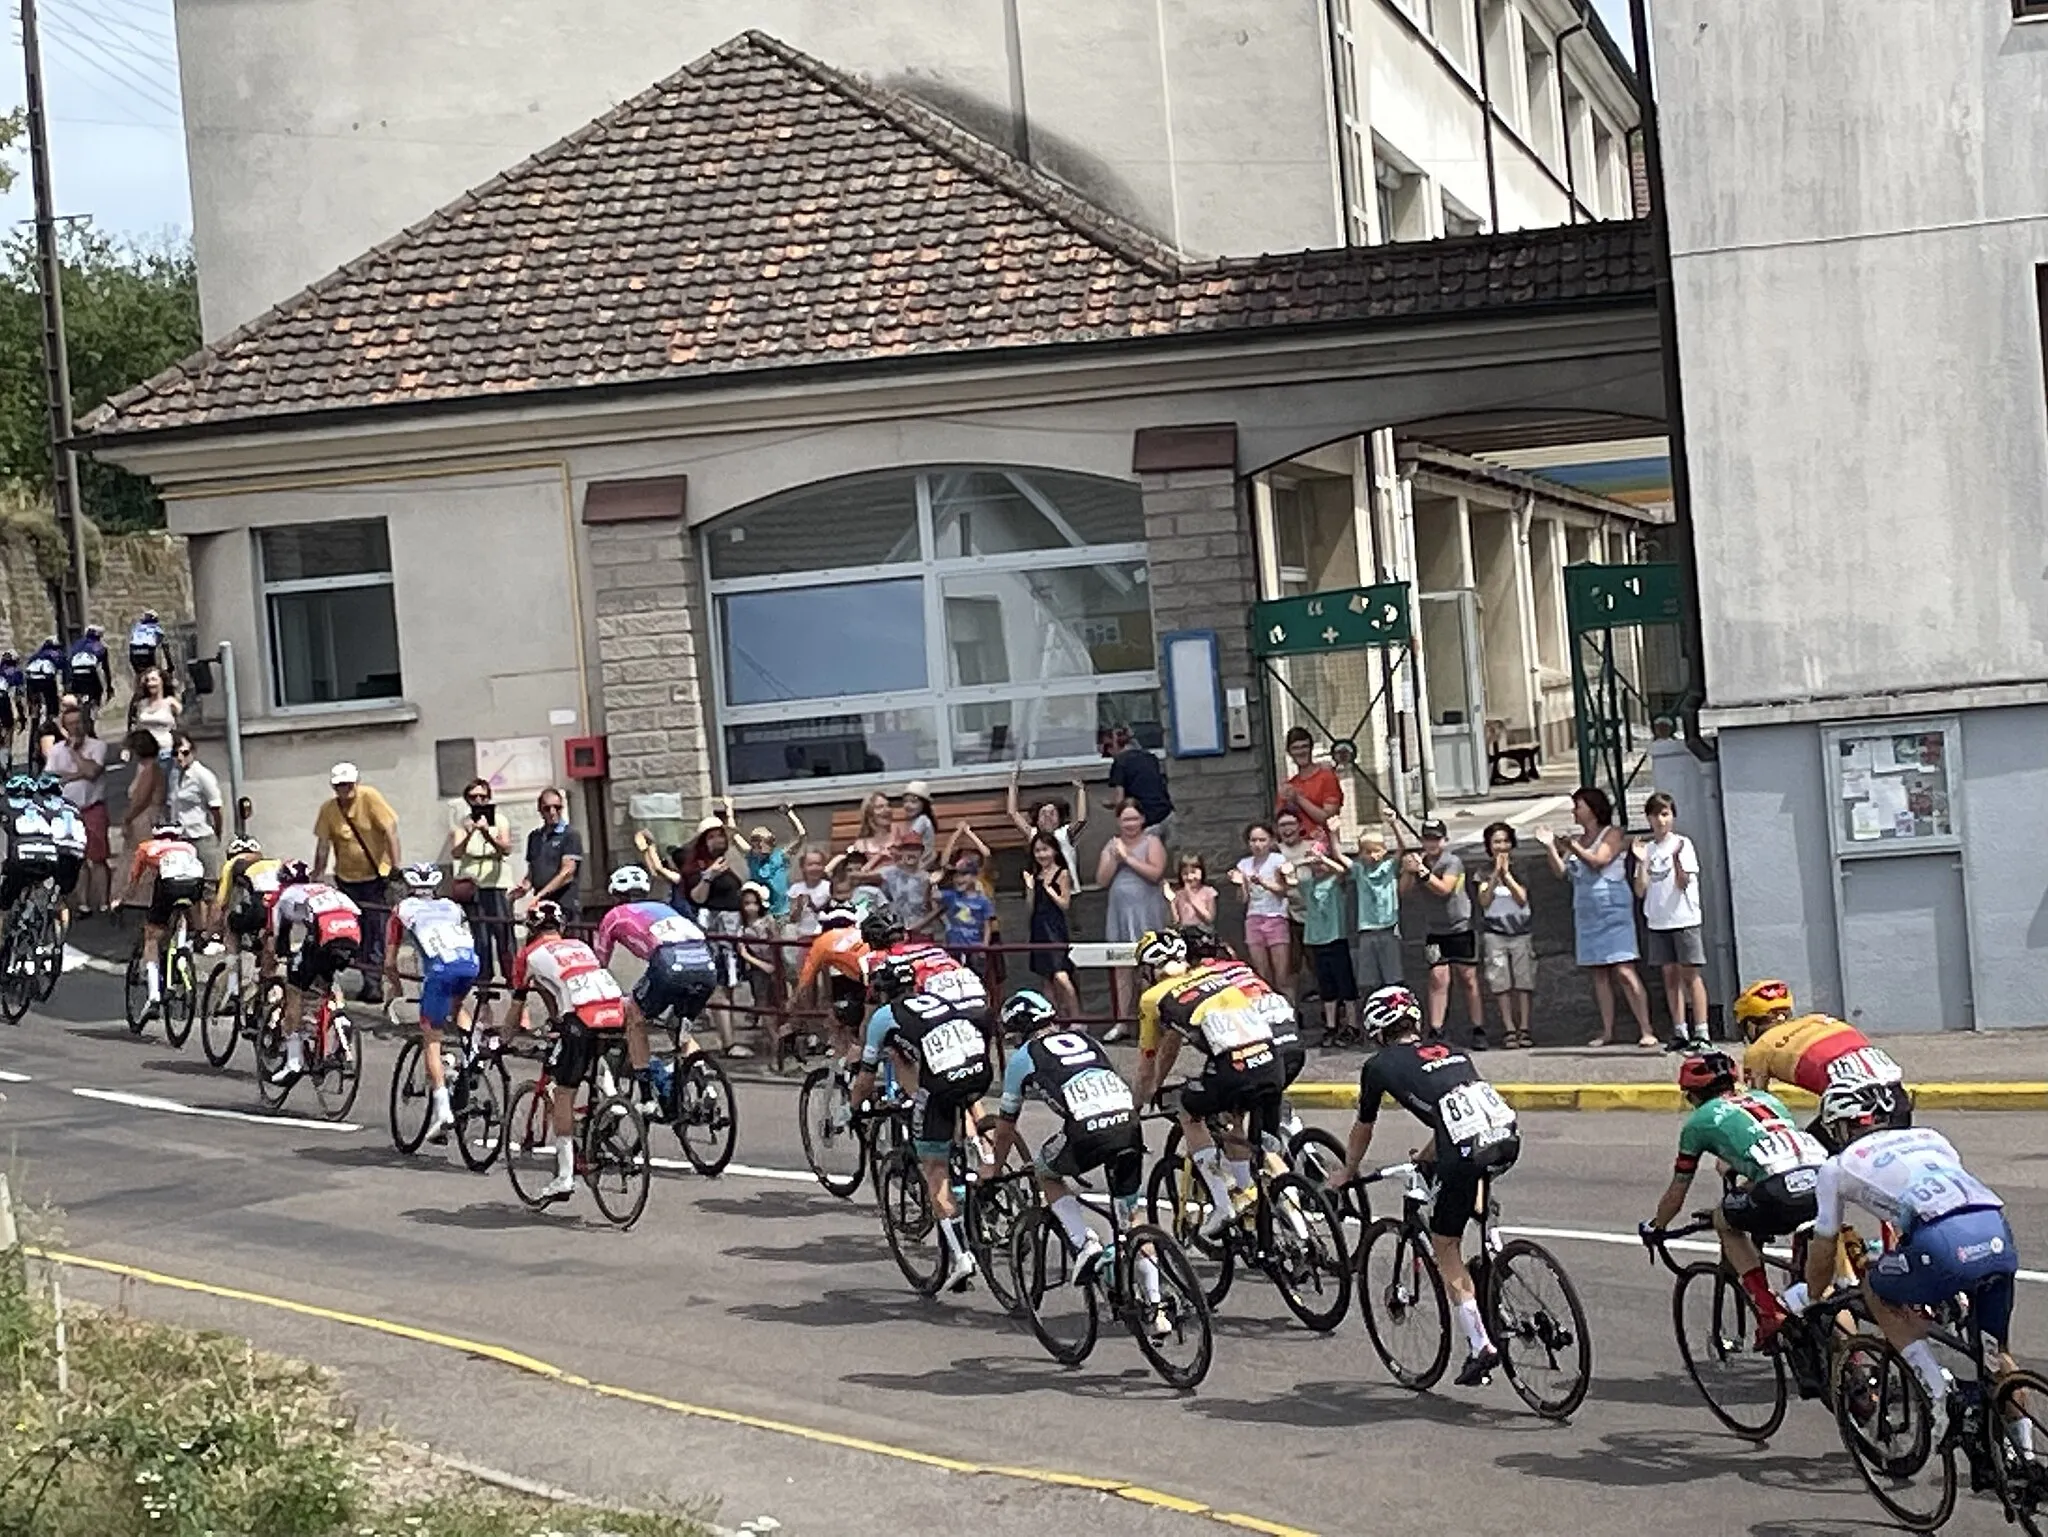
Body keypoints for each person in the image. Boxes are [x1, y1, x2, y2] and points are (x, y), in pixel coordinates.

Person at [1805, 1085, 2023, 1444]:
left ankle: (1938, 1393)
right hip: (1995, 1230)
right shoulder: (1931, 1137)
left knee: (1876, 1288)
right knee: (1997, 1359)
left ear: (1841, 1127)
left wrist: (1816, 1295)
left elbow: (1825, 1244)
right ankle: (2024, 1461)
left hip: (1941, 1244)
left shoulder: (1836, 1166)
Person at [1337, 984, 1521, 1386]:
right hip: (1506, 1136)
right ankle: (1493, 1251)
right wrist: (1424, 1156)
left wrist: (1348, 1171)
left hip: (1464, 1149)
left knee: (1445, 1246)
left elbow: (1363, 1127)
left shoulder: (1379, 1065)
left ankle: (1480, 1346)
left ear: (1376, 1030)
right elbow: (1457, 1114)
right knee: (1470, 1184)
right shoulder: (1452, 1049)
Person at [979, 989, 1170, 1336]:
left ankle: (1085, 1242)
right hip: (1128, 1124)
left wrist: (993, 1167)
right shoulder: (1087, 1041)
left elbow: (1006, 1127)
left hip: (1085, 1132)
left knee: (1045, 1170)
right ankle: (1157, 1308)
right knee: (1131, 1217)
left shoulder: (1024, 1057)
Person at [1640, 1049, 1829, 1346]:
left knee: (1724, 1221)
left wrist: (1657, 1226)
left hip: (1778, 1189)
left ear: (1694, 1095)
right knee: (1823, 1282)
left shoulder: (1698, 1124)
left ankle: (1768, 1310)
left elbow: (1678, 1191)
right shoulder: (1767, 1099)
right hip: (1822, 1178)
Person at [850, 949, 996, 1292]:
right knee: (954, 1120)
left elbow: (866, 1077)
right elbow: (905, 1064)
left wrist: (854, 1109)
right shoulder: (934, 1000)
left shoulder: (885, 1018)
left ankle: (961, 1256)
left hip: (942, 1083)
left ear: (880, 991)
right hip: (980, 1070)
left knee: (934, 1167)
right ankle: (985, 1169)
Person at [1132, 928, 1292, 1239]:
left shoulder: (1153, 998)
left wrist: (1136, 1106)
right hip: (1272, 1061)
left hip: (1232, 1068)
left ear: (1151, 968)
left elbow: (1146, 1064)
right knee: (1241, 1127)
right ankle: (1269, 1201)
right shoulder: (1217, 979)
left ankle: (1223, 1204)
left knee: (1188, 1111)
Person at [508, 899, 628, 1204]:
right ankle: (610, 1098)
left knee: (563, 1093)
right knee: (595, 1051)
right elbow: (560, 988)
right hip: (615, 1010)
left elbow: (517, 1006)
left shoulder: (528, 954)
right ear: (561, 926)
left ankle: (563, 1177)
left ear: (531, 929)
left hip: (581, 1017)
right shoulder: (580, 945)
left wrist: (503, 1039)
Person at [1537, 787, 1655, 1048]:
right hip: (1587, 911)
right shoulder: (1577, 839)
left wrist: (1574, 846)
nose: (1574, 811)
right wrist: (1550, 848)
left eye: (1578, 806)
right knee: (1598, 974)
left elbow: (1598, 860)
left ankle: (1646, 1028)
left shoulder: (1612, 834)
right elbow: (1561, 872)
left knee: (1624, 969)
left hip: (1613, 910)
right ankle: (1607, 1030)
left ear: (1592, 808)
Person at [1737, 978, 1910, 1142]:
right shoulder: (1819, 1019)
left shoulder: (1759, 1049)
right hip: (1896, 1095)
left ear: (1750, 1025)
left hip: (1858, 1106)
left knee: (1811, 1155)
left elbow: (1756, 1108)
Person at [382, 863, 482, 1144]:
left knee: (432, 1038)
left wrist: (397, 989)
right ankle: (473, 1052)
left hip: (439, 970)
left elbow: (389, 962)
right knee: (457, 1006)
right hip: (470, 964)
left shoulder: (401, 910)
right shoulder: (452, 907)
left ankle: (442, 1111)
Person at [593, 865, 714, 1092]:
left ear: (615, 894)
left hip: (669, 963)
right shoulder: (663, 907)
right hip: (705, 961)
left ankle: (646, 1095)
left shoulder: (614, 915)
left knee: (634, 1015)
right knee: (678, 1025)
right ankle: (706, 1084)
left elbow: (598, 963)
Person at [645, 816, 748, 1056]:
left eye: (720, 835)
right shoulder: (698, 866)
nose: (718, 840)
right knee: (718, 986)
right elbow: (697, 898)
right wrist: (708, 876)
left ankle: (709, 1030)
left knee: (728, 986)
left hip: (732, 931)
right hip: (714, 931)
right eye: (711, 836)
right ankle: (728, 1042)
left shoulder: (724, 861)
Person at [263, 862, 363, 1081]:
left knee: (294, 988)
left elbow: (279, 936)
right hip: (352, 933)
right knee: (328, 976)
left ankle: (294, 1062)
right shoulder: (323, 889)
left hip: (326, 936)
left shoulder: (286, 896)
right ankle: (340, 1023)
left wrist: (282, 957)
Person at [311, 761, 400, 1001]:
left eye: (348, 784)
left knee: (376, 930)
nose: (345, 790)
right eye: (340, 785)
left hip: (375, 877)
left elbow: (390, 831)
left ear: (356, 782)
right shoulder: (329, 809)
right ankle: (362, 975)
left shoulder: (370, 797)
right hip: (346, 878)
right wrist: (317, 873)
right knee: (354, 930)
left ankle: (373, 983)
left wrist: (395, 866)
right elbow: (323, 845)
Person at [1634, 792, 1709, 1050]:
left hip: (1683, 917)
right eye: (1655, 815)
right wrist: (1641, 862)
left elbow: (1684, 881)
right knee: (1669, 976)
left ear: (1673, 816)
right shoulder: (1648, 849)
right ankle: (1679, 1030)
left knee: (1691, 974)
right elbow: (1640, 889)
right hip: (1658, 920)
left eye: (1665, 814)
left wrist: (1676, 858)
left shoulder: (1683, 844)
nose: (1660, 821)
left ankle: (1701, 1030)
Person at [1402, 819, 1486, 1049]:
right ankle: (1437, 1029)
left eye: (1436, 838)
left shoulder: (1453, 862)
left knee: (1467, 977)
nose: (1431, 843)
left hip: (1460, 928)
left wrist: (1422, 871)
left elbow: (1444, 889)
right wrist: (1410, 871)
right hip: (1434, 932)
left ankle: (1478, 1028)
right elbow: (1404, 892)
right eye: (1427, 838)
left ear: (1444, 840)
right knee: (1438, 977)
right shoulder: (1418, 861)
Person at [1098, 799, 1169, 1038]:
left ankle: (1155, 1019)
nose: (1129, 824)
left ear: (1142, 819)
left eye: (1133, 818)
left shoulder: (1152, 841)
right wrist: (1114, 859)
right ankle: (1122, 1021)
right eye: (1125, 819)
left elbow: (1155, 873)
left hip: (1146, 909)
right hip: (1120, 912)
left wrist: (1128, 858)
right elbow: (1101, 880)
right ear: (1118, 821)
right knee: (1122, 968)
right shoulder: (1112, 844)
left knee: (1151, 966)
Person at [126, 822, 207, 1024]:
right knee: (185, 911)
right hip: (194, 884)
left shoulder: (146, 847)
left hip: (168, 885)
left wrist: (122, 900)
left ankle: (153, 997)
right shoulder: (189, 848)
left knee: (152, 936)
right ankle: (185, 946)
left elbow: (135, 878)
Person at [446, 777, 516, 1000]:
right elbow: (456, 853)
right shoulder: (462, 823)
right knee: (481, 941)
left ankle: (516, 989)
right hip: (473, 886)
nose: (478, 801)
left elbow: (506, 849)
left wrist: (486, 833)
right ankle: (484, 993)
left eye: (482, 797)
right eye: (473, 797)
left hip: (495, 885)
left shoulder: (500, 821)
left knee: (505, 939)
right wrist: (469, 833)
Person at [1475, 822, 1536, 1049]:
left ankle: (1525, 1027)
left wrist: (1507, 875)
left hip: (1520, 932)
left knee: (1524, 980)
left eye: (1505, 841)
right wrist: (1494, 876)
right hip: (1494, 933)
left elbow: (1521, 898)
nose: (1501, 846)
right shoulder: (1482, 871)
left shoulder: (1521, 868)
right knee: (1500, 981)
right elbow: (1483, 901)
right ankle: (1509, 1028)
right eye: (1496, 842)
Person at [44, 706, 109, 916]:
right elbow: (50, 780)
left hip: (92, 807)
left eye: (78, 723)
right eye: (70, 724)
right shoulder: (55, 751)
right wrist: (75, 773)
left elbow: (92, 772)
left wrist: (74, 753)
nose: (75, 728)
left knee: (97, 858)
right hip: (68, 812)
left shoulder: (98, 746)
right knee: (77, 859)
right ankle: (83, 903)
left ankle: (104, 902)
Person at [165, 733, 225, 935]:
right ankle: (196, 929)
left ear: (193, 752)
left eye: (184, 752)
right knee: (189, 886)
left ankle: (212, 932)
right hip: (181, 838)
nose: (180, 757)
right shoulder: (174, 775)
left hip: (201, 835)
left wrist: (216, 835)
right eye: (176, 754)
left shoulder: (203, 775)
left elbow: (216, 808)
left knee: (209, 886)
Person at [1300, 845, 1358, 1042]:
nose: (1317, 866)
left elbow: (1343, 871)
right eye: (1313, 863)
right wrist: (1300, 863)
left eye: (1319, 862)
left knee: (1346, 983)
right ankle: (1331, 1025)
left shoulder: (1335, 880)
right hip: (1316, 940)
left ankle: (1353, 1025)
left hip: (1336, 937)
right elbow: (1288, 880)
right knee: (1326, 985)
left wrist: (1324, 859)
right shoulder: (1308, 883)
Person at [796, 903, 870, 1052]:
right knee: (861, 1018)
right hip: (865, 981)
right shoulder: (864, 936)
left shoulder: (824, 941)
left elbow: (806, 977)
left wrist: (793, 1001)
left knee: (845, 1020)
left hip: (851, 981)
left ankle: (850, 1051)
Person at [1023, 830, 1080, 1019]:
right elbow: (1030, 907)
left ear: (1054, 850)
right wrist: (1030, 888)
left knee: (1061, 975)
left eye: (1045, 849)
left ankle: (1077, 1017)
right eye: (1037, 850)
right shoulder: (1034, 874)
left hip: (1055, 928)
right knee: (1045, 977)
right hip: (1038, 926)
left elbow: (1066, 904)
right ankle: (1054, 1018)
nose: (1041, 854)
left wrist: (1049, 889)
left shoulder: (1062, 873)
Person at [1229, 821, 1292, 988]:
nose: (1257, 845)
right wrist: (1239, 884)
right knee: (1261, 972)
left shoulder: (1278, 860)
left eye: (1262, 840)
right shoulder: (1244, 864)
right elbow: (1242, 899)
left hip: (1276, 917)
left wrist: (1263, 882)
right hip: (1253, 918)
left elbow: (1283, 890)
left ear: (1271, 841)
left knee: (1281, 974)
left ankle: (1287, 1007)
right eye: (1253, 840)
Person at [0, 773, 58, 947]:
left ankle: (2, 941)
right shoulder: (44, 805)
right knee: (39, 886)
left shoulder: (4, 804)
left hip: (21, 856)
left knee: (4, 905)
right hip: (49, 855)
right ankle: (41, 928)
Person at [1347, 824, 1404, 997]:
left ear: (1384, 850)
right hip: (1367, 930)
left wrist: (1394, 824)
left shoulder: (1389, 867)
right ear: (1360, 853)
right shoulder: (1359, 869)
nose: (1372, 855)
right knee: (1369, 981)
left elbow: (1402, 847)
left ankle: (1397, 1009)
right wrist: (1333, 834)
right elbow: (1339, 857)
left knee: (1394, 978)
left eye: (1376, 850)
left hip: (1389, 928)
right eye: (1367, 851)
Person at [511, 786, 584, 921]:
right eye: (547, 808)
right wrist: (523, 888)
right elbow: (532, 872)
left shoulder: (570, 835)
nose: (552, 812)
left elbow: (567, 873)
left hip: (564, 904)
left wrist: (539, 895)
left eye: (557, 807)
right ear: (540, 810)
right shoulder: (535, 837)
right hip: (541, 907)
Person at [1006, 768, 1087, 885]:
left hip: (1068, 890)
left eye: (1052, 814)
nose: (1048, 817)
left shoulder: (1064, 833)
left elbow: (1081, 819)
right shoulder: (1033, 833)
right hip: (1042, 889)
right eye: (1043, 814)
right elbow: (1013, 813)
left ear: (1060, 819)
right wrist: (1012, 785)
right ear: (1037, 820)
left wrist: (1081, 790)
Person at [113, 729, 166, 905]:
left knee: (141, 857)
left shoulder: (150, 769)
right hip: (144, 816)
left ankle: (139, 898)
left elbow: (141, 800)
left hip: (145, 817)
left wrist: (127, 819)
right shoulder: (145, 768)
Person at [213, 835, 280, 968]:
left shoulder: (232, 865)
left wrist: (210, 933)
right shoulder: (274, 863)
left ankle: (232, 968)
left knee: (231, 923)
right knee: (270, 937)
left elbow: (220, 903)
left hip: (259, 909)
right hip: (280, 909)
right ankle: (268, 976)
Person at [739, 800, 804, 920]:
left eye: (764, 843)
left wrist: (790, 814)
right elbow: (734, 836)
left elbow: (800, 835)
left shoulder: (780, 856)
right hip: (760, 914)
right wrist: (729, 812)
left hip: (781, 912)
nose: (760, 848)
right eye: (756, 845)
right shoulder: (751, 857)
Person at [1275, 726, 1344, 839]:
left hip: (1323, 846)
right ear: (1289, 752)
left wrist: (1298, 798)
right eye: (1296, 748)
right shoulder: (1290, 785)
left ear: (1311, 748)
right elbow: (1278, 823)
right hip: (1294, 846)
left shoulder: (1327, 777)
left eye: (1304, 746)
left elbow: (1327, 819)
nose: (1301, 751)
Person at [1104, 725, 1172, 833]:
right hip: (1166, 814)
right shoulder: (1149, 757)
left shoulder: (1120, 762)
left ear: (1113, 746)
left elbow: (1120, 800)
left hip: (1147, 819)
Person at [938, 856, 996, 976]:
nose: (959, 879)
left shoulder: (983, 901)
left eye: (964, 875)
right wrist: (939, 878)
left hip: (974, 947)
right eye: (956, 876)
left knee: (977, 978)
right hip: (953, 946)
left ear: (974, 876)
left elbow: (987, 926)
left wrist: (984, 947)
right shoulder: (951, 896)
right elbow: (933, 896)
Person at [63, 625, 111, 725]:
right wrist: (109, 686)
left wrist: (67, 682)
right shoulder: (100, 646)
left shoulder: (76, 645)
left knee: (78, 697)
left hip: (75, 674)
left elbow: (68, 662)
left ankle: (79, 709)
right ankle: (94, 712)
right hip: (90, 674)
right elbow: (105, 669)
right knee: (97, 691)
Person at [22, 637, 63, 741]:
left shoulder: (35, 656)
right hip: (47, 681)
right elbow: (62, 671)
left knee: (35, 715)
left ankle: (33, 743)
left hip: (31, 683)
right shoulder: (56, 654)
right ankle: (52, 725)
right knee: (52, 709)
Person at [1166, 853, 1217, 928]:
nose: (1190, 877)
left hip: (1203, 933)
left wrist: (1190, 897)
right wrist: (1171, 901)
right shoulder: (1179, 894)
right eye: (1185, 873)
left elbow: (1209, 919)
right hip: (1185, 932)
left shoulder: (1208, 892)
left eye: (1193, 872)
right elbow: (1176, 920)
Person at [127, 609, 172, 689]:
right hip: (148, 652)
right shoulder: (157, 629)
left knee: (139, 675)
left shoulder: (137, 627)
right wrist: (170, 665)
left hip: (133, 652)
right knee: (154, 675)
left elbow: (132, 640)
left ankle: (137, 688)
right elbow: (165, 648)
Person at [897, 781, 937, 866]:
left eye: (913, 802)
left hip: (921, 863)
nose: (908, 805)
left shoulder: (922, 820)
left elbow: (911, 840)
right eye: (905, 801)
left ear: (924, 804)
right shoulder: (914, 820)